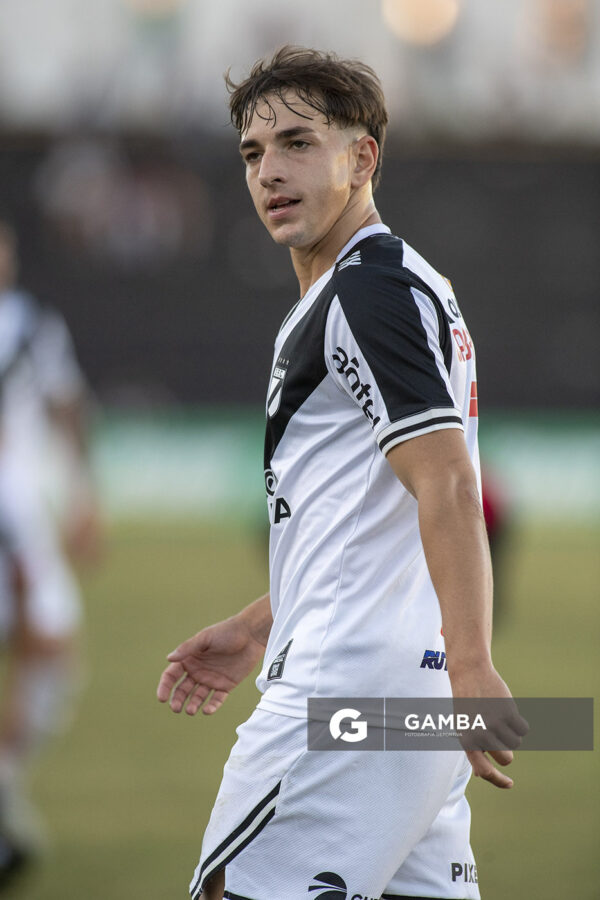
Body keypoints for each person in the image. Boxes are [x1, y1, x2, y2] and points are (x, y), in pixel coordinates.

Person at [158, 47, 526, 900]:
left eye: (297, 143)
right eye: (254, 153)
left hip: (343, 701)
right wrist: (259, 626)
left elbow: (447, 482)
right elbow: (365, 519)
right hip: (403, 710)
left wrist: (474, 665)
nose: (270, 173)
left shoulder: (365, 293)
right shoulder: (399, 286)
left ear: (362, 158)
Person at [0, 219, 101, 886]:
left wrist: (85, 495)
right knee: (52, 647)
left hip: (22, 517)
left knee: (55, 657)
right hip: (11, 523)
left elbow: (68, 405)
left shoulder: (32, 322)